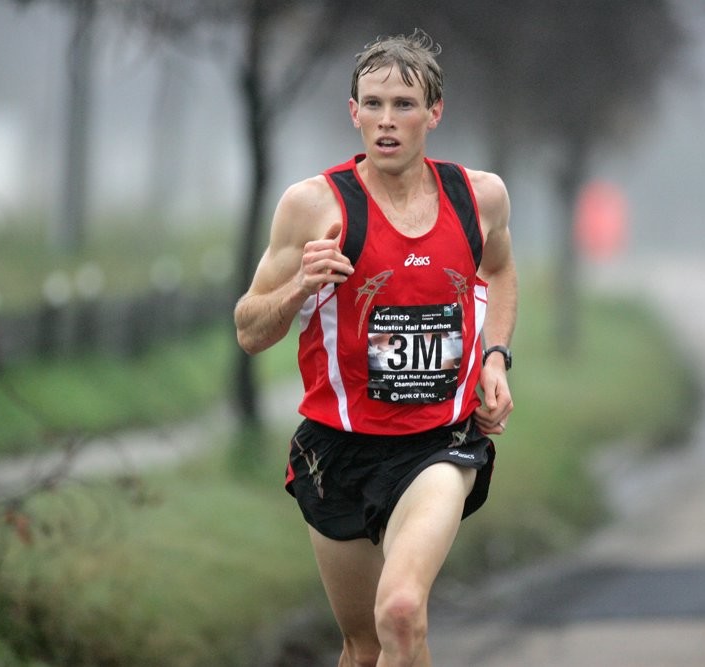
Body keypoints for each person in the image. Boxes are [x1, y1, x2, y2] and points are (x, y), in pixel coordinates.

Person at [233, 29, 517, 667]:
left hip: (438, 443)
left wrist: (495, 357)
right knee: (363, 648)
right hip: (337, 451)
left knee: (401, 612)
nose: (387, 120)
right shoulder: (314, 206)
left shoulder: (479, 198)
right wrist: (300, 287)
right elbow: (249, 330)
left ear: (434, 113)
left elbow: (499, 270)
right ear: (353, 112)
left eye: (404, 105)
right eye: (374, 104)